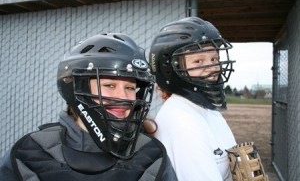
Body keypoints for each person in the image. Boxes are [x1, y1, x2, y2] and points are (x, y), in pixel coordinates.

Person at [0, 33, 177, 181]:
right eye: (109, 85)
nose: (124, 97)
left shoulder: (151, 156)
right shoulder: (29, 154)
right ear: (78, 88)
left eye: (130, 88)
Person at [149, 17, 237, 181]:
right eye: (198, 61)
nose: (212, 68)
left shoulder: (204, 108)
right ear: (171, 70)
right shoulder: (181, 120)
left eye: (214, 59)